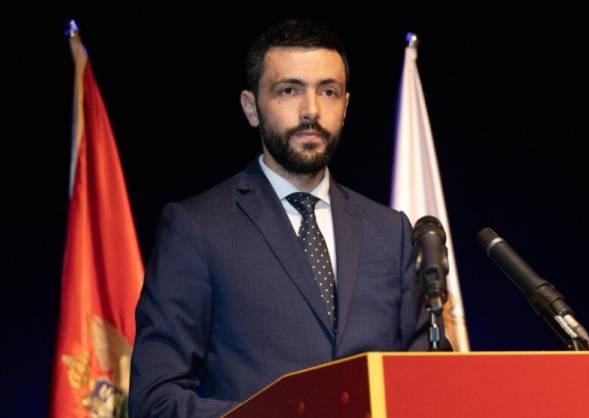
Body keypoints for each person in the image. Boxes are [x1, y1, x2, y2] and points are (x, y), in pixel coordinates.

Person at [129, 18, 439, 418]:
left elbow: (422, 382)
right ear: (251, 107)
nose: (311, 110)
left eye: (328, 91)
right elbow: (155, 400)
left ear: (345, 107)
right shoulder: (196, 228)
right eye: (289, 90)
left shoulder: (390, 231)